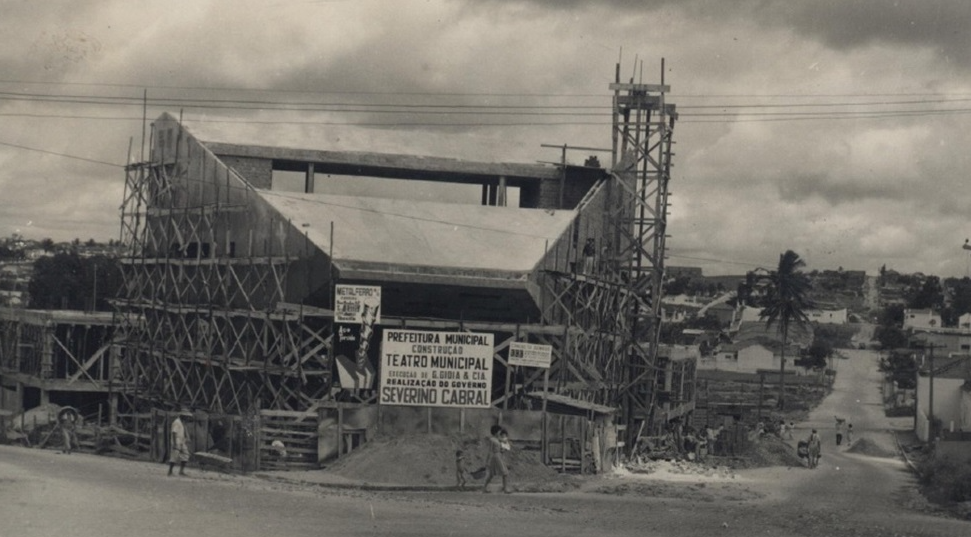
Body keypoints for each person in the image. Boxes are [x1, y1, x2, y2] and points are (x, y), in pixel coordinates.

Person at [482, 425, 510, 494]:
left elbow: (502, 448)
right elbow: (490, 450)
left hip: (499, 456)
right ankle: (505, 489)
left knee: (491, 474)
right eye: (499, 431)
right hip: (496, 457)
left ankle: (484, 488)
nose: (500, 432)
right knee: (505, 472)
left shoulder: (498, 439)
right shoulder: (492, 440)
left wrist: (504, 449)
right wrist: (487, 461)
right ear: (496, 432)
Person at [168, 409, 192, 476]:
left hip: (182, 441)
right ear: (182, 416)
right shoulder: (177, 422)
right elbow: (174, 432)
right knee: (174, 456)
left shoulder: (183, 423)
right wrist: (175, 443)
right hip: (177, 440)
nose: (187, 418)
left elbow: (184, 431)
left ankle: (181, 471)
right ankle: (170, 471)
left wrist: (187, 438)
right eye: (186, 416)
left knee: (186, 455)